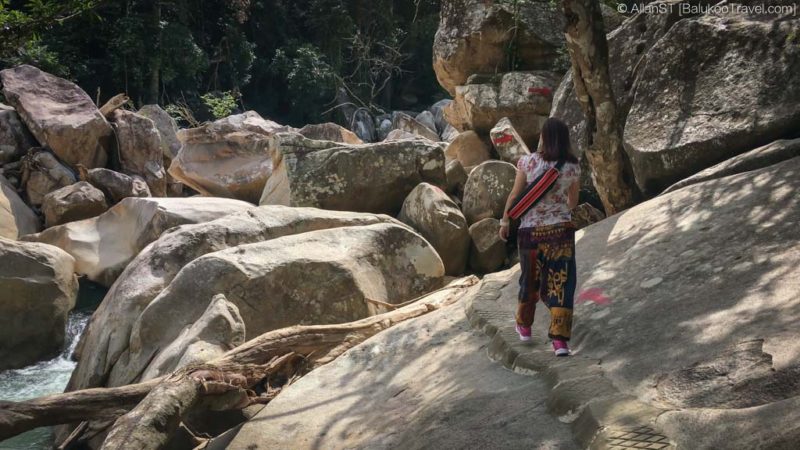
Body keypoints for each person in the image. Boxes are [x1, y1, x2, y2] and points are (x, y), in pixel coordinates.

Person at [499, 117, 581, 357]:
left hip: (529, 232)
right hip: (560, 231)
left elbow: (515, 196)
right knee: (562, 282)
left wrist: (505, 221)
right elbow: (572, 202)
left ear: (544, 137)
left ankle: (524, 327)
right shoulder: (573, 166)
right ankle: (560, 342)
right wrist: (558, 205)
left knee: (530, 278)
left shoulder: (527, 162)